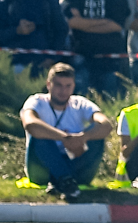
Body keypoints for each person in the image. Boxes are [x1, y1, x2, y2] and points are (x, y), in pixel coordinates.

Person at [20, 63, 112, 200]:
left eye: (68, 86)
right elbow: (30, 123)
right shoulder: (36, 101)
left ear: (73, 86)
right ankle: (64, 178)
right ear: (48, 84)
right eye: (58, 85)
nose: (63, 90)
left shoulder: (80, 103)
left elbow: (106, 124)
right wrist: (64, 138)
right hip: (42, 167)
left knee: (97, 134)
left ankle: (62, 180)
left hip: (76, 162)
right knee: (39, 135)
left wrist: (83, 138)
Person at [61, 0, 130, 95]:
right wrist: (104, 21)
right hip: (82, 54)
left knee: (111, 100)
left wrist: (84, 24)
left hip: (110, 59)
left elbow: (118, 25)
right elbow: (72, 22)